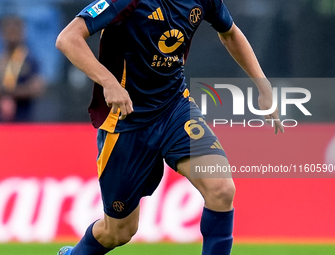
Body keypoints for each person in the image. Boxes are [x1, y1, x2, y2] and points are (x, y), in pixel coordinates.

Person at [56, 0, 284, 254]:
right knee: (118, 232)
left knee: (221, 189)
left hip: (174, 108)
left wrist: (263, 86)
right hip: (126, 120)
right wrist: (109, 82)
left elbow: (229, 33)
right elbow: (68, 38)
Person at [0, 16, 45, 122]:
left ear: (22, 32)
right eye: (8, 30)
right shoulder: (2, 58)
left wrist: (8, 94)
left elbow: (36, 88)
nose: (11, 35)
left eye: (15, 30)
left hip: (23, 120)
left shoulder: (30, 59)